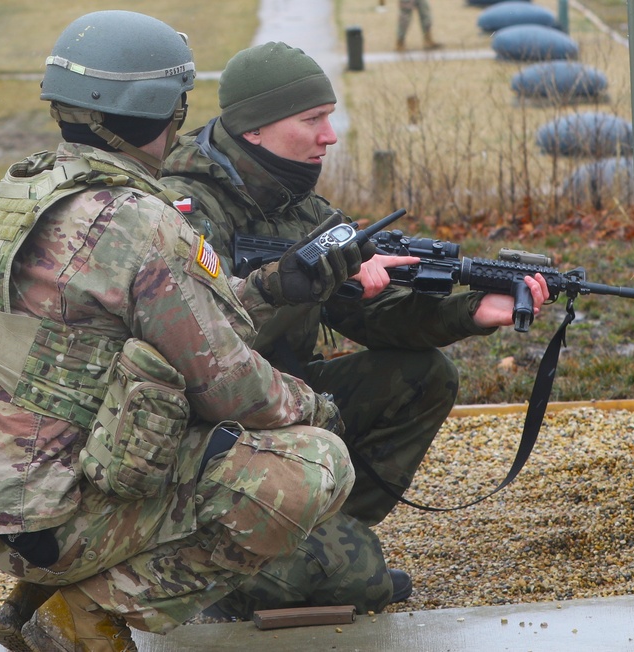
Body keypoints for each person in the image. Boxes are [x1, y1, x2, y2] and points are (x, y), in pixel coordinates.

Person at [0, 11, 372, 652]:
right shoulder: (139, 220)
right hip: (51, 514)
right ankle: (82, 611)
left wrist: (272, 288)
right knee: (313, 465)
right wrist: (314, 407)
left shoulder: (25, 190)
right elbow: (233, 389)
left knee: (163, 404)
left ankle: (37, 594)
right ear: (166, 106)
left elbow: (128, 327)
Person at [160, 41, 550, 619]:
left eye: (328, 117)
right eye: (312, 120)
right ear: (256, 130)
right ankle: (220, 560)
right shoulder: (183, 212)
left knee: (423, 377)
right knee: (361, 585)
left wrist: (470, 312)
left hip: (280, 410)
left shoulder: (299, 205)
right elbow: (197, 345)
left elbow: (376, 314)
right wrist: (302, 283)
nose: (330, 136)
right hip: (201, 432)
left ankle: (314, 532)